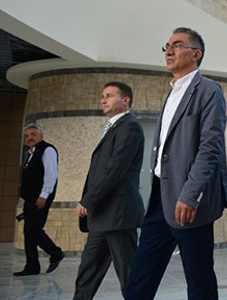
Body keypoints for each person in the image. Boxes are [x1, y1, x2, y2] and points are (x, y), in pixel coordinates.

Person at [125, 27, 227, 300]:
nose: (168, 50)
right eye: (167, 46)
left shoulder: (208, 91)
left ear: (196, 54)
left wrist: (190, 194)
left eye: (177, 45)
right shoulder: (171, 93)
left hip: (189, 203)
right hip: (160, 200)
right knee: (141, 275)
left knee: (199, 280)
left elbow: (210, 147)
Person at [73, 82, 145, 299]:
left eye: (110, 95)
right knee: (88, 271)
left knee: (129, 274)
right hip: (101, 215)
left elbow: (115, 169)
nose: (103, 99)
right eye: (102, 95)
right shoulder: (114, 128)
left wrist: (88, 200)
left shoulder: (130, 127)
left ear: (125, 101)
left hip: (119, 214)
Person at [14, 123, 65, 276]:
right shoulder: (31, 153)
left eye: (33, 135)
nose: (30, 138)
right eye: (27, 136)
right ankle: (32, 266)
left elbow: (51, 175)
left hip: (40, 199)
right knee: (29, 232)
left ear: (41, 136)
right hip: (31, 199)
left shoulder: (47, 150)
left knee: (33, 230)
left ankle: (55, 253)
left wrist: (43, 195)